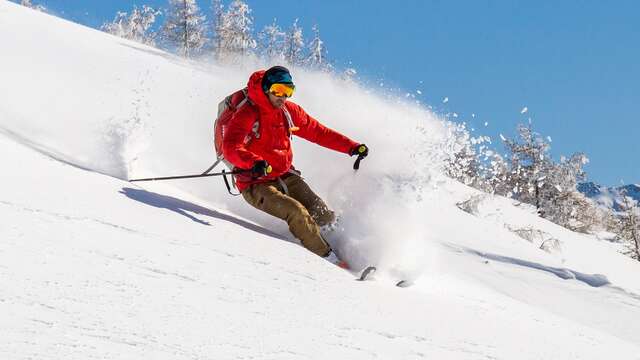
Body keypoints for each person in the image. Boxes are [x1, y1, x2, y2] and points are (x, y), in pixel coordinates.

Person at [221, 66, 368, 268]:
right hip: (255, 183)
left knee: (320, 211)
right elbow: (230, 147)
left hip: (285, 175)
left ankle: (348, 249)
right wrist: (253, 162)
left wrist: (351, 147)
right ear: (266, 88)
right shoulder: (248, 113)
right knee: (296, 211)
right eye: (278, 90)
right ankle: (329, 261)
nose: (283, 97)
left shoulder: (289, 112)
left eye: (288, 91)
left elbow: (319, 132)